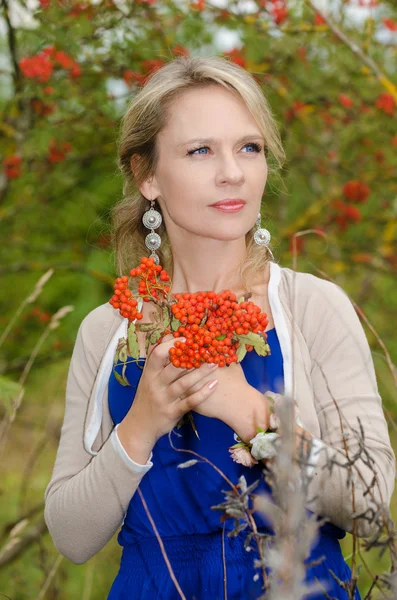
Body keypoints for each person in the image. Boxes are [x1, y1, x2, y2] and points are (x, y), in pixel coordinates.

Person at [44, 55, 395, 599]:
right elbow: (71, 535)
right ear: (148, 176)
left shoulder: (312, 307)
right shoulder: (110, 329)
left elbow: (370, 506)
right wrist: (140, 424)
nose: (232, 171)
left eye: (248, 148)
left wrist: (251, 412)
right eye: (200, 150)